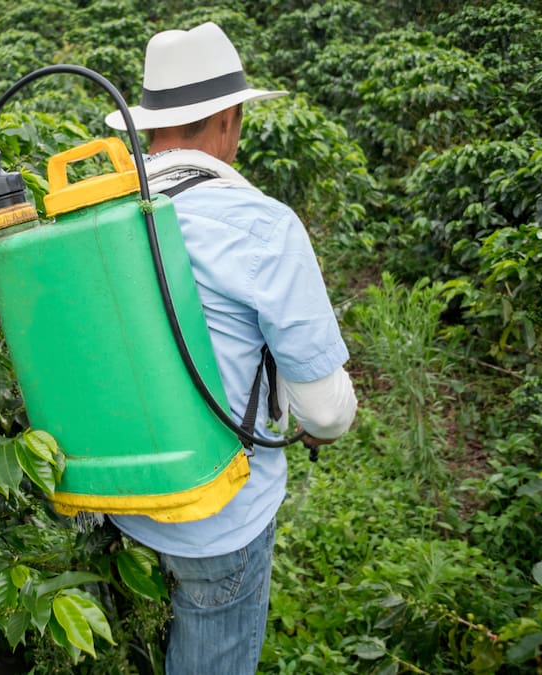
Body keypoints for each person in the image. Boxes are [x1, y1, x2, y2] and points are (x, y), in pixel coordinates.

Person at [104, 22, 359, 675]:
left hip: (117, 502)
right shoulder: (260, 225)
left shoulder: (93, 211)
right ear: (227, 120)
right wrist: (318, 423)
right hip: (217, 519)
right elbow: (326, 412)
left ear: (151, 124)